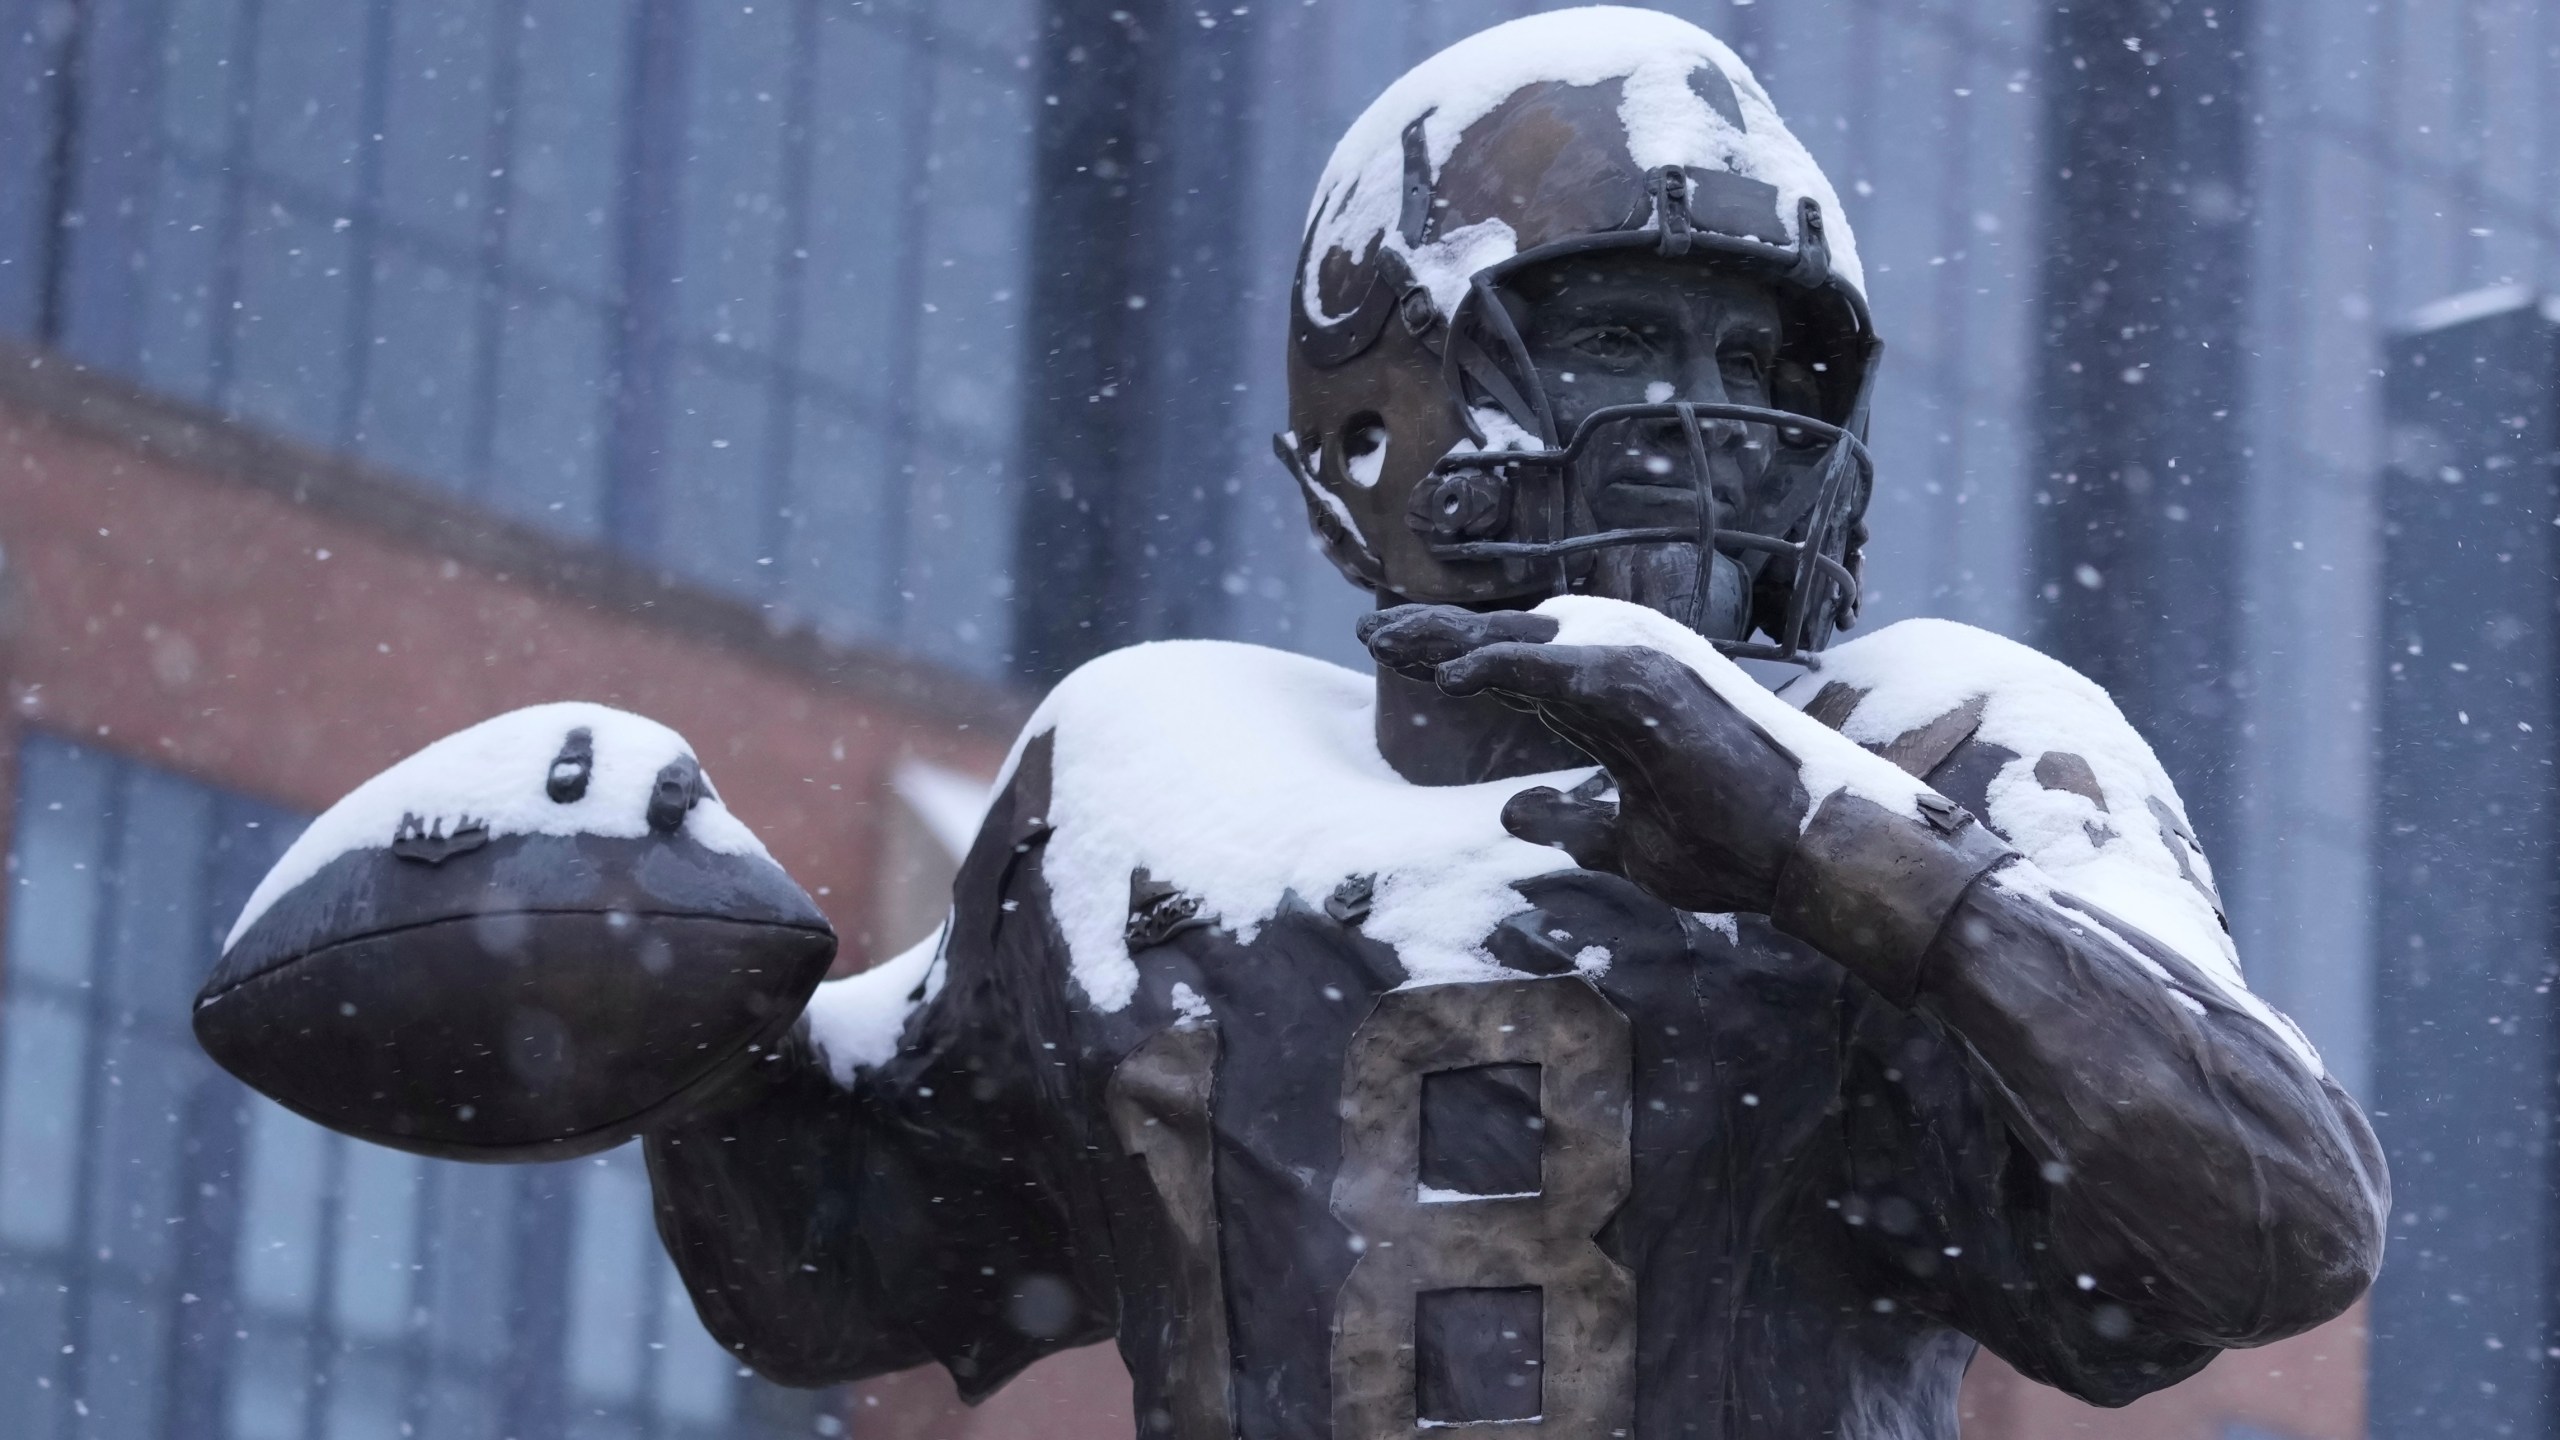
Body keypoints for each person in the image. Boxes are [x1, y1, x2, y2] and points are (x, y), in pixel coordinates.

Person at [236, 10, 2391, 1439]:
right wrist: (664, 1004)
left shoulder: (1932, 741)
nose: (1700, 418)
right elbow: (844, 1282)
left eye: (1760, 366)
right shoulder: (1142, 780)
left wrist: (1837, 858)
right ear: (1376, 397)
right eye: (1619, 332)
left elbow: (2280, 1223)